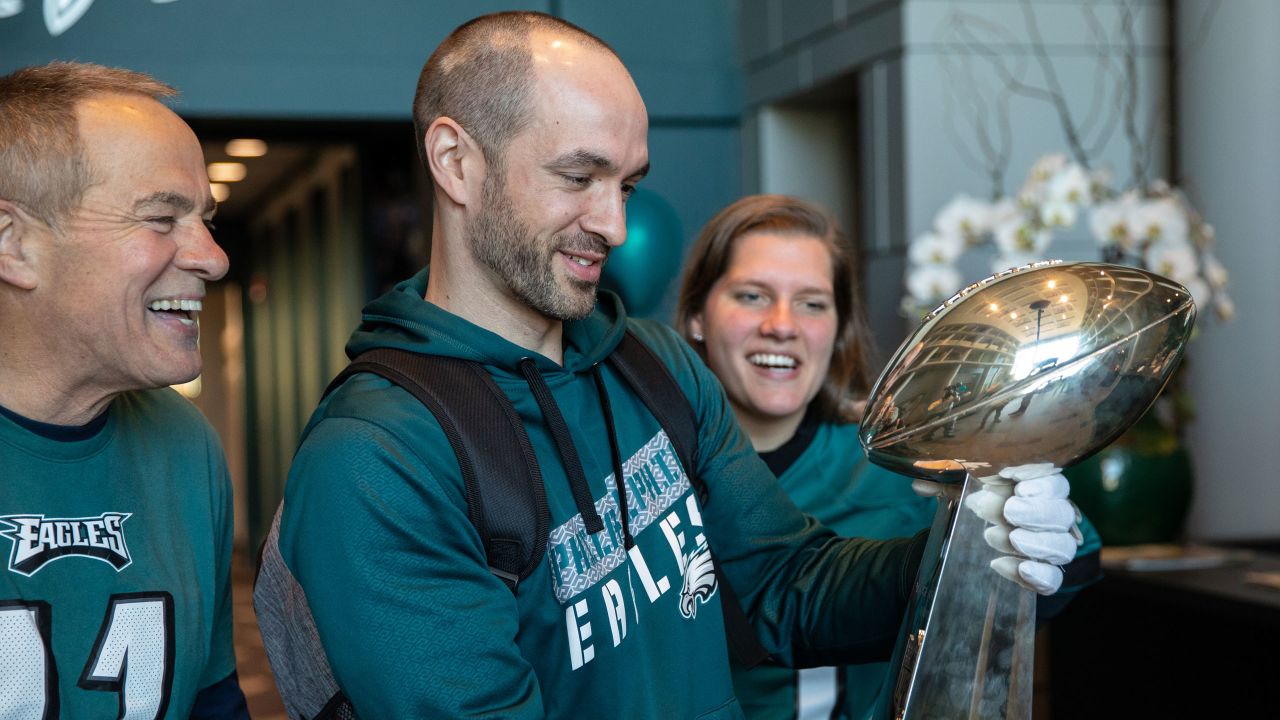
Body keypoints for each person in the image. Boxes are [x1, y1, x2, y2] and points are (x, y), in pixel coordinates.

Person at [254, 12, 1079, 718]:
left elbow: (787, 586)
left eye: (629, 185)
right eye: (578, 176)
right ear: (455, 161)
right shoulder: (378, 457)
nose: (613, 225)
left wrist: (972, 544)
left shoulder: (651, 362)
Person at [675, 194, 1102, 720]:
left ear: (838, 331)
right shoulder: (648, 471)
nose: (782, 325)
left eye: (812, 303)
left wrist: (1025, 506)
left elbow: (1063, 576)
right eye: (752, 296)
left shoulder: (899, 465)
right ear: (696, 316)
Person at [0, 62, 249, 718]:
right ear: (13, 244)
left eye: (205, 219)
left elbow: (213, 702)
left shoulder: (185, 443)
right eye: (162, 218)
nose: (213, 257)